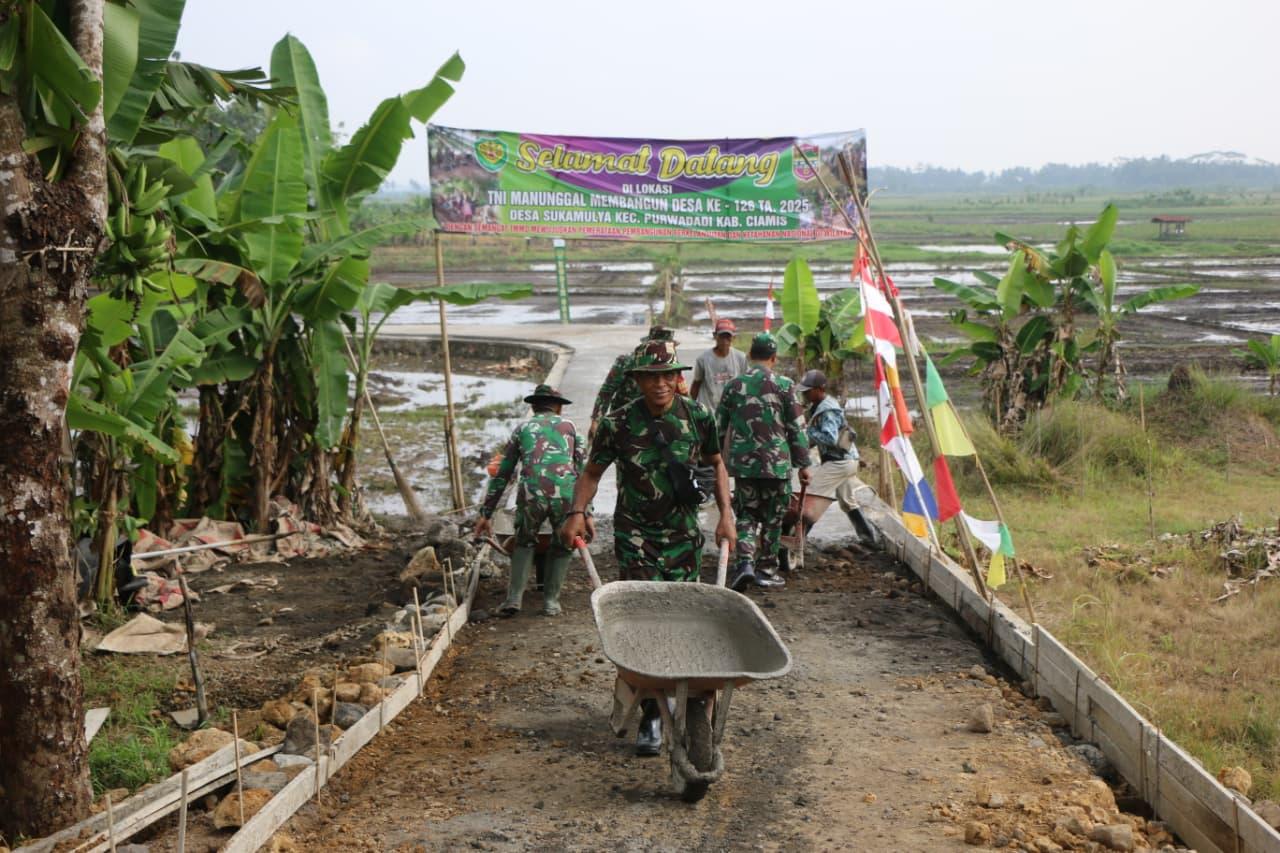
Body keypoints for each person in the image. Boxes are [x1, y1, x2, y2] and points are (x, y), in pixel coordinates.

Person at [562, 340, 735, 756]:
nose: (660, 384)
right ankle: (652, 712)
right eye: (650, 377)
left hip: (683, 536)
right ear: (637, 380)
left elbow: (716, 463)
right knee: (643, 621)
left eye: (667, 375)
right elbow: (592, 472)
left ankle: (686, 695)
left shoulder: (698, 416)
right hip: (636, 536)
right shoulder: (617, 423)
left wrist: (726, 515)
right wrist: (577, 511)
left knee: (684, 619)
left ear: (677, 378)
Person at [474, 384, 585, 617]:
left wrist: (486, 513)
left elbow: (503, 473)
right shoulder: (571, 428)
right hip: (565, 495)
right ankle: (551, 602)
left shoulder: (522, 429)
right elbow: (583, 472)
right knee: (562, 544)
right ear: (558, 408)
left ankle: (514, 599)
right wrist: (586, 512)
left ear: (534, 407)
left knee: (524, 542)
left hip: (531, 494)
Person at [716, 333, 810, 592]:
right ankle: (765, 570)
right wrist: (803, 464)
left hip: (744, 465)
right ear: (774, 358)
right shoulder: (784, 385)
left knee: (746, 515)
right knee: (773, 518)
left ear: (749, 356)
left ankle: (744, 564)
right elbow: (796, 427)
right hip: (776, 465)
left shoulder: (734, 386)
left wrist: (716, 461)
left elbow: (719, 427)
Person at [794, 369, 880, 549]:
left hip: (839, 461)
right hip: (846, 460)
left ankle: (797, 540)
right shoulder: (819, 406)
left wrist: (808, 431)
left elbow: (830, 438)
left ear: (820, 389)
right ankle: (870, 539)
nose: (805, 394)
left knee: (812, 496)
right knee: (847, 501)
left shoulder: (828, 410)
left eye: (808, 391)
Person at [588, 326, 684, 439]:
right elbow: (607, 391)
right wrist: (596, 420)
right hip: (625, 421)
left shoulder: (671, 365)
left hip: (657, 422)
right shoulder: (627, 362)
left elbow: (680, 393)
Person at [690, 318, 749, 412]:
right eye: (722, 337)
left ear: (733, 337)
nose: (725, 341)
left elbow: (747, 383)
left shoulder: (741, 358)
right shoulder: (703, 359)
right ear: (715, 336)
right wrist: (690, 407)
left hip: (731, 410)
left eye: (728, 337)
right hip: (709, 410)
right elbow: (696, 384)